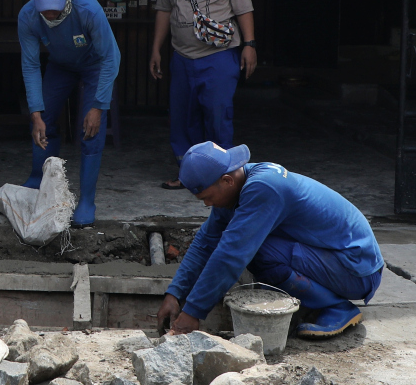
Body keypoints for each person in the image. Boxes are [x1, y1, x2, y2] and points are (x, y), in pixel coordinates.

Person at [156, 142, 383, 339]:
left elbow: (231, 254)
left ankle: (336, 307)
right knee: (250, 244)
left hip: (357, 269)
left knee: (256, 251)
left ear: (226, 180)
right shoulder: (237, 185)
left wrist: (193, 312)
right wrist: (174, 294)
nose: (207, 205)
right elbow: (206, 241)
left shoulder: (264, 188)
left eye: (207, 198)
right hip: (335, 257)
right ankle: (323, 300)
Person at [150, 0, 256, 189]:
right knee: (183, 118)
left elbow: (244, 8)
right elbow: (163, 9)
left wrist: (250, 45)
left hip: (219, 56)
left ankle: (223, 178)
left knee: (217, 115)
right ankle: (188, 175)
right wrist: (156, 49)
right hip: (182, 56)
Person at [17, 0, 121, 227]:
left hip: (95, 65)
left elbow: (111, 58)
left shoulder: (89, 10)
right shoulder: (28, 16)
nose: (50, 14)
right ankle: (38, 180)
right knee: (44, 119)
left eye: (55, 6)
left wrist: (98, 106)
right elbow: (30, 65)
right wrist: (36, 112)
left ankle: (86, 200)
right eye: (44, 7)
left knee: (91, 131)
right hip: (60, 66)